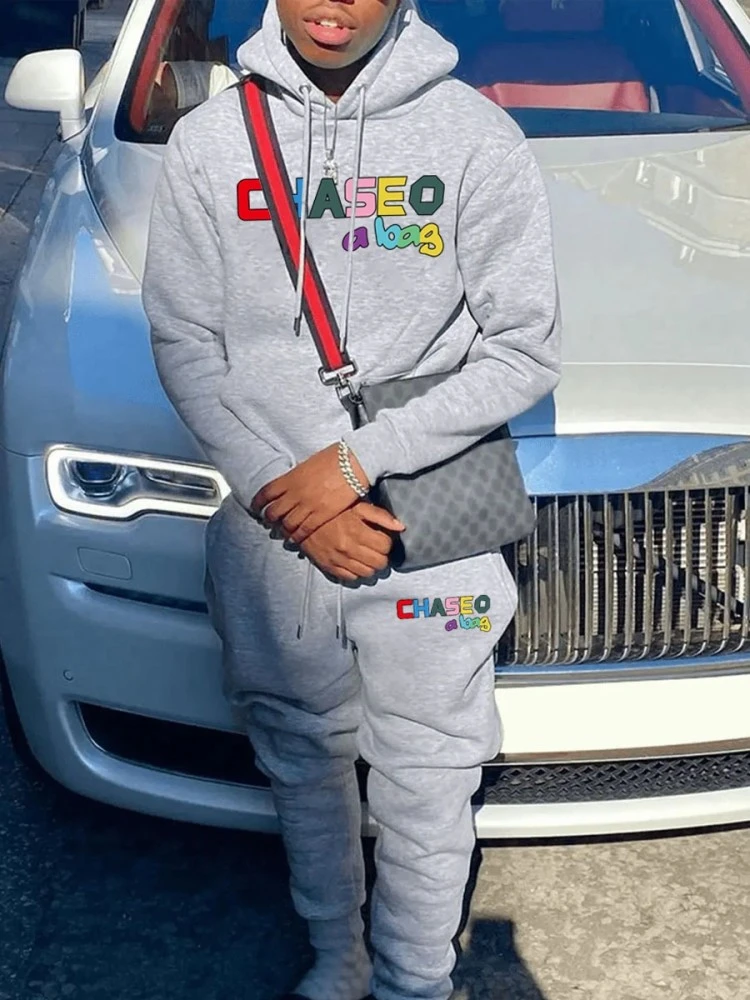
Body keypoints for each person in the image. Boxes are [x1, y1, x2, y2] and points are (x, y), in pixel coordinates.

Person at [141, 0, 561, 997]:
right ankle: (340, 954)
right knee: (298, 753)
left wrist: (348, 467)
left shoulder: (474, 136)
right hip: (272, 531)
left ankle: (416, 979)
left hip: (430, 525)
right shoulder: (211, 142)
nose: (336, 3)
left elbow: (523, 351)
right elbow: (183, 340)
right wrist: (284, 494)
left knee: (430, 768)